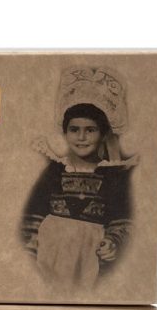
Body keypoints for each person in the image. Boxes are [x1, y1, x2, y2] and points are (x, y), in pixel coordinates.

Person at [21, 102, 134, 290]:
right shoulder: (53, 171)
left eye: (90, 130)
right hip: (48, 256)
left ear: (103, 134)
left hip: (90, 259)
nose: (81, 137)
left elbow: (121, 219)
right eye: (74, 130)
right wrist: (30, 251)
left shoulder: (114, 176)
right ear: (65, 134)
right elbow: (33, 214)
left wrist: (112, 242)